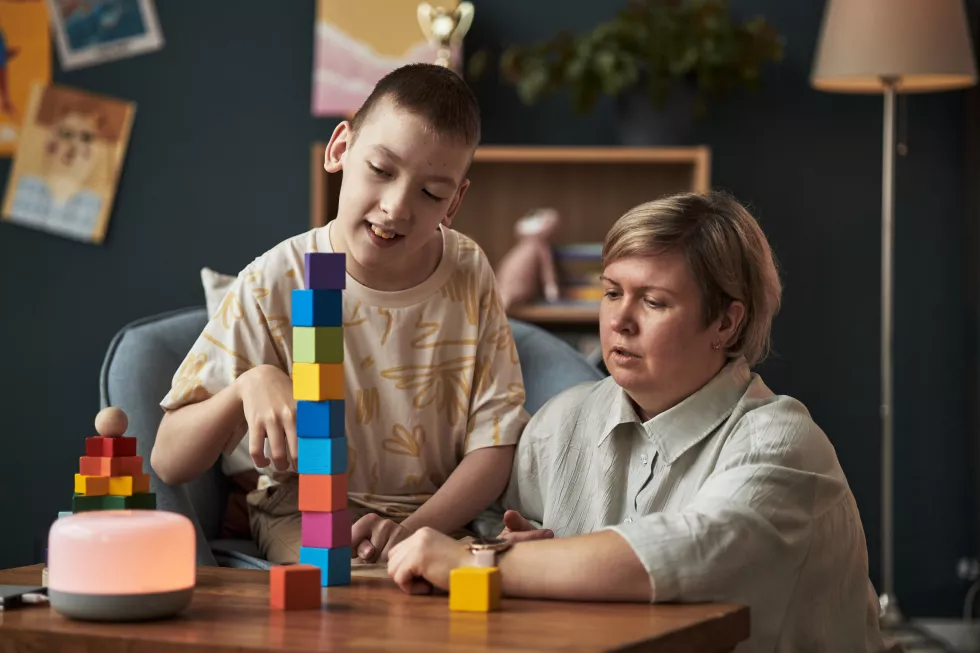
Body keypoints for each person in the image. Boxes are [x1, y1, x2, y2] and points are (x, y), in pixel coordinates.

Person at [387, 191, 886, 653]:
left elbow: (691, 553)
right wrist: (518, 551)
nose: (619, 320)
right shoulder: (561, 421)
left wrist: (483, 565)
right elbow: (493, 524)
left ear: (726, 322)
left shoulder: (783, 443)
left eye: (653, 301)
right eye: (610, 292)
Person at [152, 63, 528, 565]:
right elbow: (169, 460)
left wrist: (411, 531)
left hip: (437, 515)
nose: (396, 207)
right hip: (302, 511)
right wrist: (249, 385)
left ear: (454, 202)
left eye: (431, 193)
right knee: (352, 592)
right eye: (381, 170)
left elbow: (495, 446)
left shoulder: (469, 269)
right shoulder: (278, 279)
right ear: (340, 149)